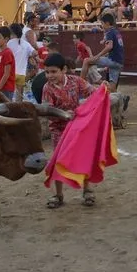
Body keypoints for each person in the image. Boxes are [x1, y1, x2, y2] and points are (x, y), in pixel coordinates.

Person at [41, 53, 98, 209]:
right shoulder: (47, 88)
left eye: (53, 72)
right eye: (47, 72)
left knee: (83, 157)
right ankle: (58, 195)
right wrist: (64, 114)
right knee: (58, 161)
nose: (50, 75)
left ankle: (87, 190)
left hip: (76, 128)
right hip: (58, 129)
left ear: (63, 70)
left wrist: (103, 90)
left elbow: (93, 92)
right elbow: (47, 110)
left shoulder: (75, 81)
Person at [80, 13, 124, 93]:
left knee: (86, 60)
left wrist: (97, 56)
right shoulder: (116, 32)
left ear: (107, 23)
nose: (102, 26)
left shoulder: (109, 32)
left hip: (112, 60)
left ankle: (79, 86)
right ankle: (122, 99)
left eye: (102, 23)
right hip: (119, 62)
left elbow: (109, 46)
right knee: (112, 88)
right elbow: (115, 48)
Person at [0, 26, 17, 100]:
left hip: (7, 88)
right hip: (0, 87)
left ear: (6, 39)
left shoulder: (7, 53)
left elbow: (6, 74)